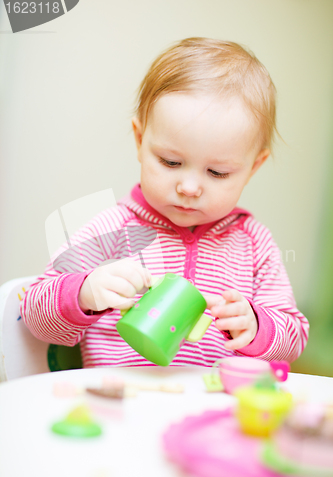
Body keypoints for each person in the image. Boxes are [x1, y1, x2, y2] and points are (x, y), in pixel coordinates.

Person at [20, 37, 309, 367]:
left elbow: (294, 337)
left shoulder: (254, 244)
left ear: (253, 167)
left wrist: (257, 327)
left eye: (217, 172)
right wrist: (84, 293)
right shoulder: (111, 230)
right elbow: (34, 314)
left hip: (215, 408)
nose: (188, 187)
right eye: (171, 162)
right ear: (141, 141)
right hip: (120, 404)